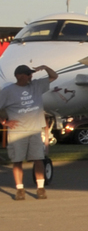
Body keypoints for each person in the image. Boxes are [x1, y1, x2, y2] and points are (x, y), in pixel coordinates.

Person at [1, 64, 58, 199]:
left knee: (38, 159)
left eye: (30, 74)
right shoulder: (8, 91)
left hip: (34, 130)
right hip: (17, 132)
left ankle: (40, 187)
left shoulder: (36, 86)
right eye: (27, 74)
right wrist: (4, 122)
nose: (30, 76)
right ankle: (20, 189)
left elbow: (54, 76)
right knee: (17, 161)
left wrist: (44, 67)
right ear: (19, 76)